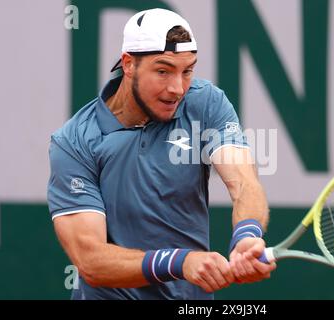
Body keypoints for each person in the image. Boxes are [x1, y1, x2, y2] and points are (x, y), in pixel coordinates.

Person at [47, 8, 276, 300]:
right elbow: (90, 260)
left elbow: (244, 182)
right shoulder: (74, 142)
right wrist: (180, 262)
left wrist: (247, 235)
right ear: (129, 64)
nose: (177, 88)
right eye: (163, 71)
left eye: (188, 70)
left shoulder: (205, 103)